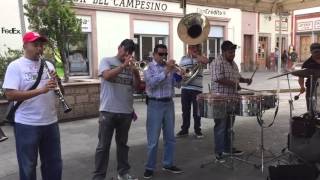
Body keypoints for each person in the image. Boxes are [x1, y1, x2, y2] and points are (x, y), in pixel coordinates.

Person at [2, 32, 62, 180]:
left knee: (53, 165)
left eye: (41, 45)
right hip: (27, 124)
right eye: (35, 45)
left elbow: (59, 91)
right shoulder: (15, 66)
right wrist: (41, 90)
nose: (39, 48)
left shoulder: (48, 64)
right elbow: (10, 95)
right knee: (28, 166)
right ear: (25, 46)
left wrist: (58, 83)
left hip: (51, 122)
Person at [92, 39, 141, 180]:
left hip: (126, 112)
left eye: (130, 52)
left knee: (123, 145)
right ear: (119, 47)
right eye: (125, 50)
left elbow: (137, 87)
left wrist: (136, 72)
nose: (126, 54)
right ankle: (98, 177)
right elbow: (106, 76)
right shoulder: (106, 61)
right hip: (108, 111)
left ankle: (123, 173)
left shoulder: (132, 66)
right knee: (103, 146)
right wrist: (123, 66)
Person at [143, 44, 183, 179]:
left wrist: (179, 75)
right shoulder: (148, 67)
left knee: (170, 137)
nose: (163, 57)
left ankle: (168, 163)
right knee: (153, 139)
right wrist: (166, 71)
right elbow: (152, 83)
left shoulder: (170, 68)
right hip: (155, 104)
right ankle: (149, 167)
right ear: (154, 54)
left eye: (165, 54)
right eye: (160, 54)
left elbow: (177, 85)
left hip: (169, 103)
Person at [210, 40, 252, 162]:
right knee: (221, 126)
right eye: (230, 52)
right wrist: (234, 84)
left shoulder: (233, 63)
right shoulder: (217, 62)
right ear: (223, 52)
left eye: (233, 52)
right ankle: (219, 152)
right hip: (220, 100)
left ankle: (228, 148)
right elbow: (218, 78)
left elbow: (237, 77)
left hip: (232, 99)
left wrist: (245, 80)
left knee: (230, 126)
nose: (232, 54)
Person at [176, 44, 209, 138]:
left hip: (197, 89)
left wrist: (196, 56)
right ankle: (184, 130)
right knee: (185, 111)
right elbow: (179, 71)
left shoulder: (200, 58)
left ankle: (197, 130)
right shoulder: (183, 58)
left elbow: (206, 61)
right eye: (190, 47)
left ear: (197, 48)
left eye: (193, 47)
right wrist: (180, 73)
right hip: (185, 88)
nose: (191, 49)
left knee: (197, 111)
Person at [298, 43, 320, 112]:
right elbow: (301, 77)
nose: (317, 53)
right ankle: (311, 116)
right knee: (311, 105)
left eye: (319, 51)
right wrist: (302, 86)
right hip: (311, 87)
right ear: (311, 52)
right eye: (315, 52)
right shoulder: (307, 63)